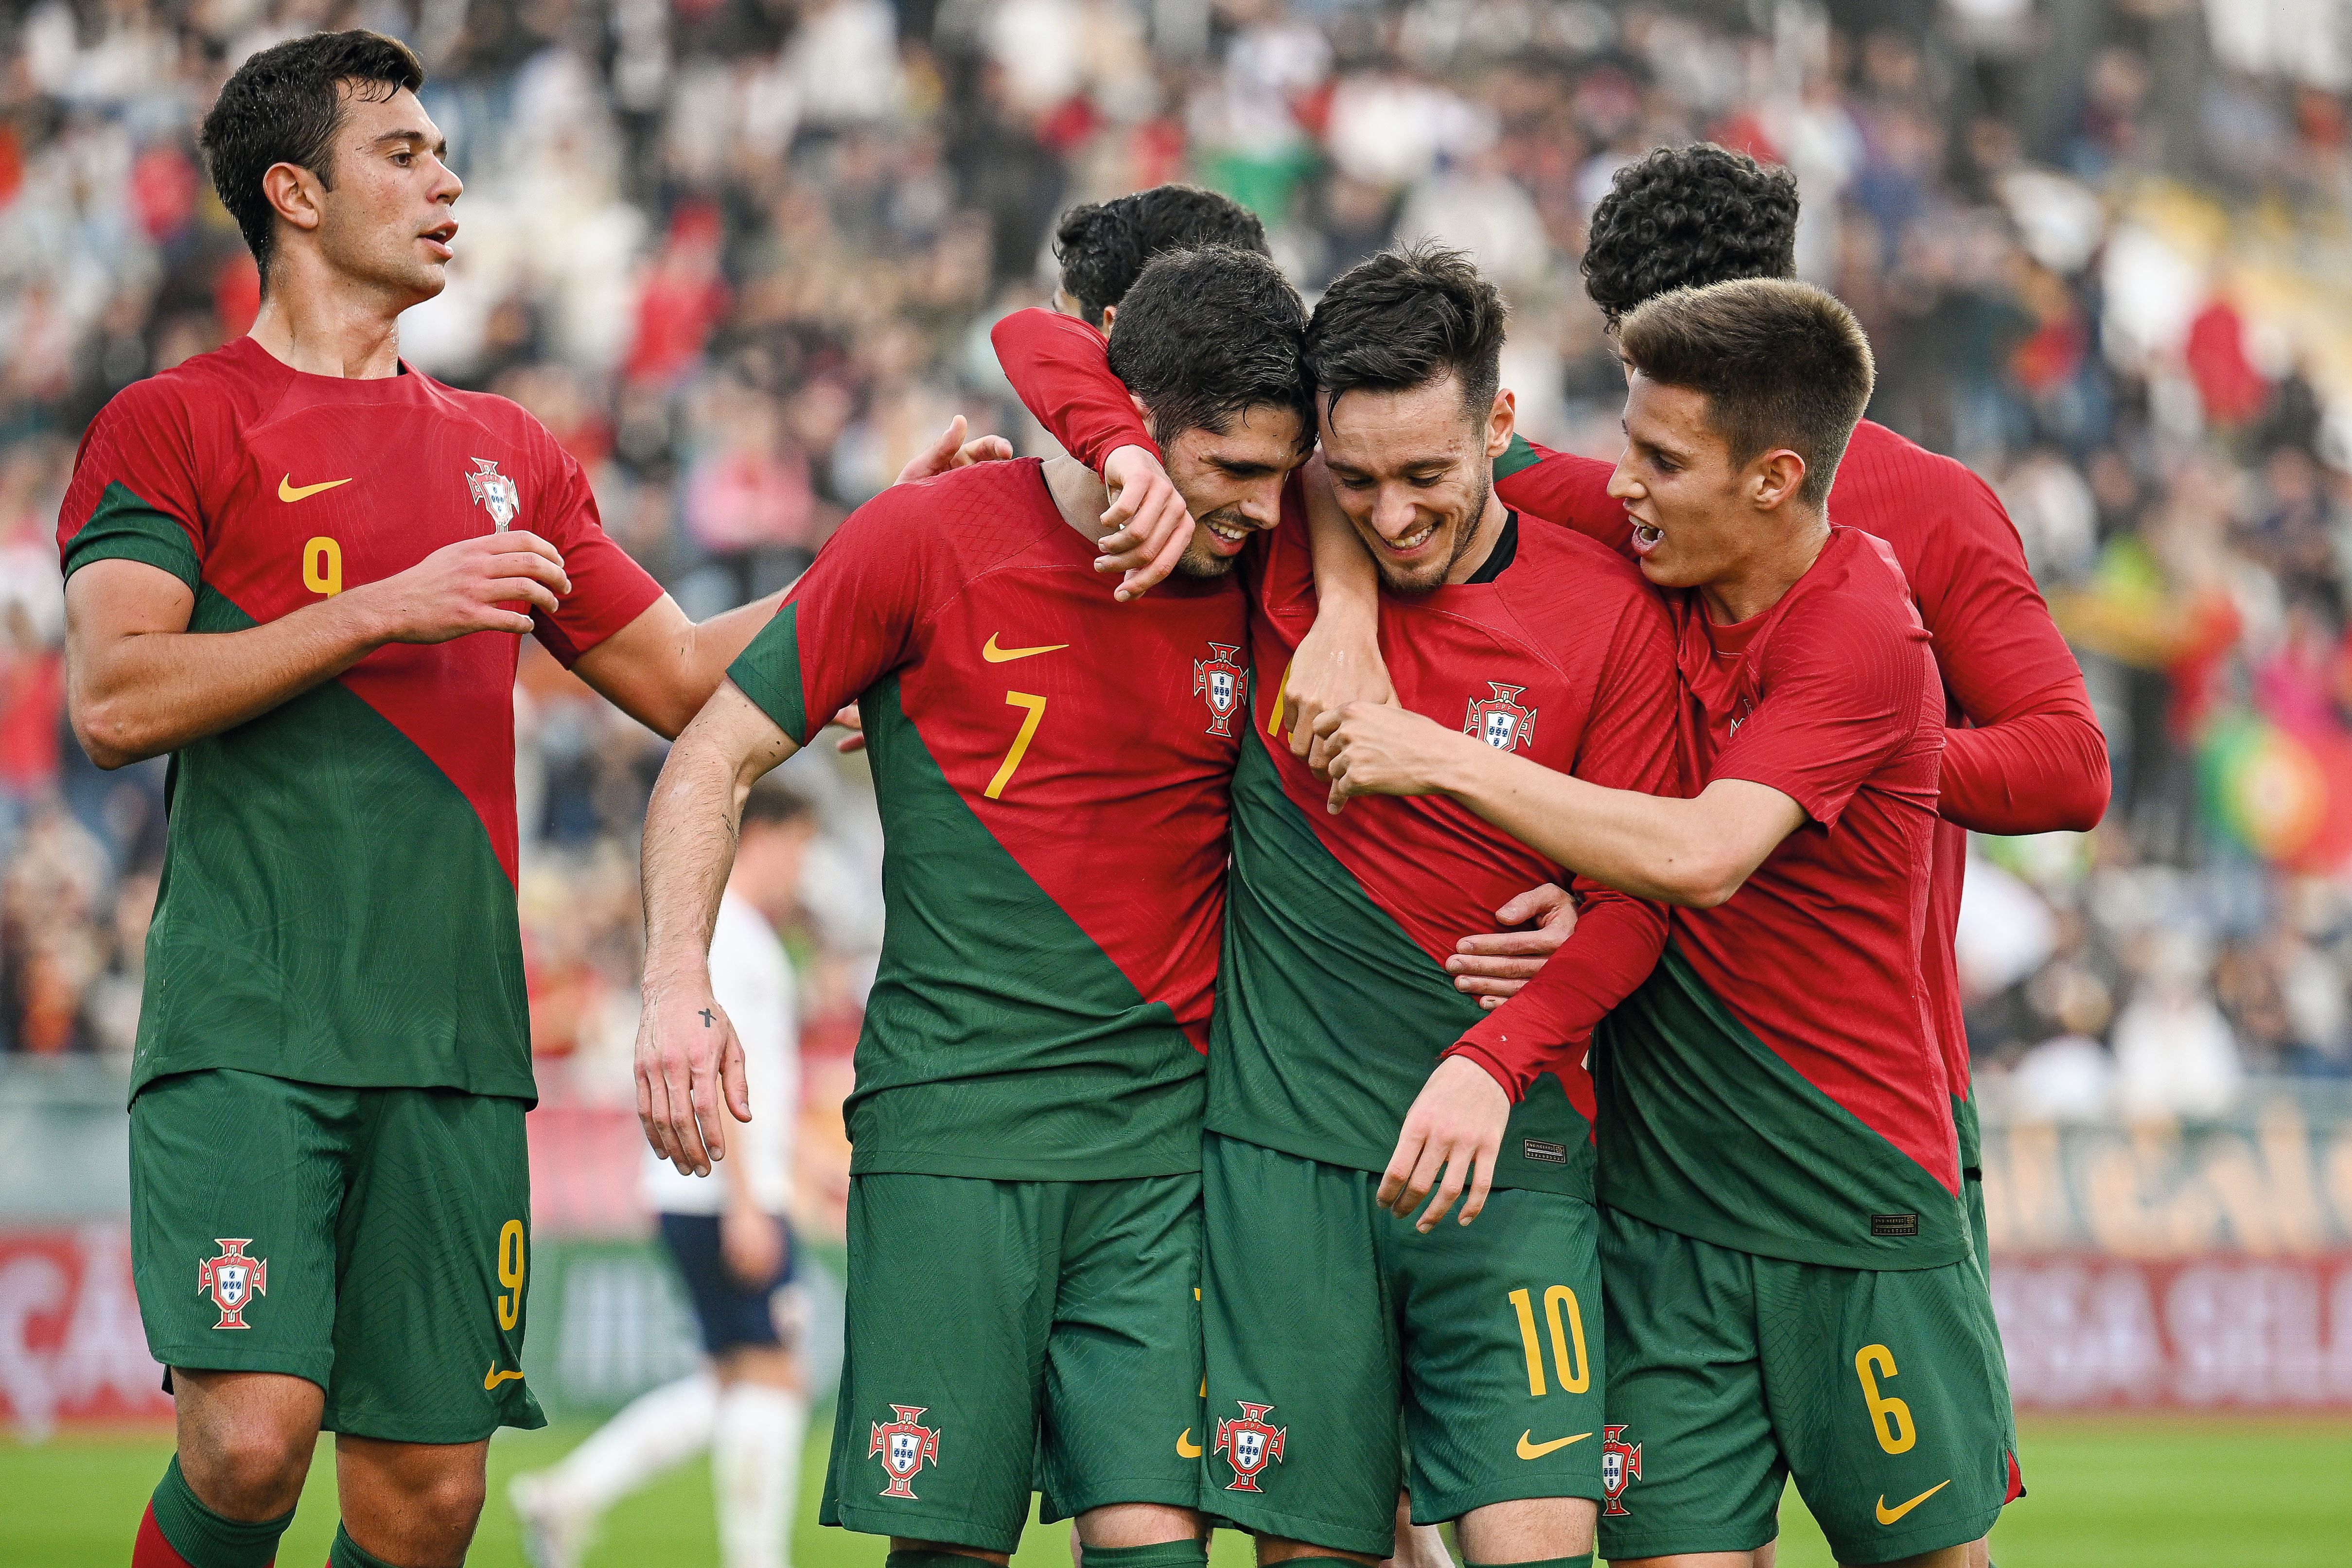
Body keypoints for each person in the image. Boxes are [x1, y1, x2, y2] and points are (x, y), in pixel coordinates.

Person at [60, 32, 997, 1568]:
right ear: (292, 192)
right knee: (246, 1440)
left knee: (426, 1502)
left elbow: (691, 671)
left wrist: (877, 549)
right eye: (405, 154)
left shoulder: (506, 451)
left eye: (443, 150)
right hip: (247, 1026)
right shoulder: (175, 422)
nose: (449, 178)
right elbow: (114, 697)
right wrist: (385, 606)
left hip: (454, 1044)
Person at [990, 244, 1680, 1568]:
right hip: (1283, 1166)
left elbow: (1641, 903)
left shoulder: (1606, 615)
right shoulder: (1274, 557)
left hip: (1512, 1155)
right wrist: (1127, 461)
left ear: (1499, 425)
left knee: (1533, 1545)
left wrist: (1495, 1057)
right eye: (1352, 479)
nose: (1393, 512)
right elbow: (1034, 336)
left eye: (1426, 475)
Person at [1313, 279, 2015, 1568]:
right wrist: (1346, 611)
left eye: (1656, 457)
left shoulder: (1860, 632)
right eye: (1625, 442)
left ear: (1772, 479)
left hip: (1845, 1191)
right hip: (1660, 1210)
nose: (1613, 481)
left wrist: (1440, 757)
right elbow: (1353, 459)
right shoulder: (1660, 532)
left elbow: (1698, 856)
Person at [632, 245, 1312, 1568]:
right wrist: (673, 982)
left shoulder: (1262, 575)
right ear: (1130, 427)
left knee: (1158, 1544)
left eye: (1282, 477)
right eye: (1232, 472)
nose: (1268, 509)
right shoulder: (920, 539)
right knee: (947, 1549)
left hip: (1162, 1155)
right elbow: (706, 753)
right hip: (952, 1137)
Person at [510, 778, 818, 1568]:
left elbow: (762, 1094)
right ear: (767, 837)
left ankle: (567, 1496)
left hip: (703, 1188)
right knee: (775, 1376)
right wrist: (752, 1202)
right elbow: (721, 1082)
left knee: (728, 1381)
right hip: (723, 1193)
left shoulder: (730, 938)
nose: (802, 870)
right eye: (800, 848)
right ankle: (756, 1558)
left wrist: (806, 1166)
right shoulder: (739, 940)